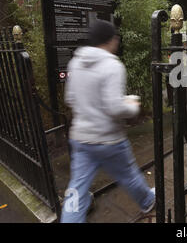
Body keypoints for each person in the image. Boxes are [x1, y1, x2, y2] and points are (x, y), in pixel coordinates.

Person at [61, 19, 155, 223]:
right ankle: (147, 200)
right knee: (128, 175)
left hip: (81, 138)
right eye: (116, 39)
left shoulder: (75, 63)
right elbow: (114, 108)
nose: (117, 42)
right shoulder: (113, 66)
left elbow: (70, 99)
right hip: (109, 140)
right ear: (110, 40)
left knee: (76, 189)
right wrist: (132, 105)